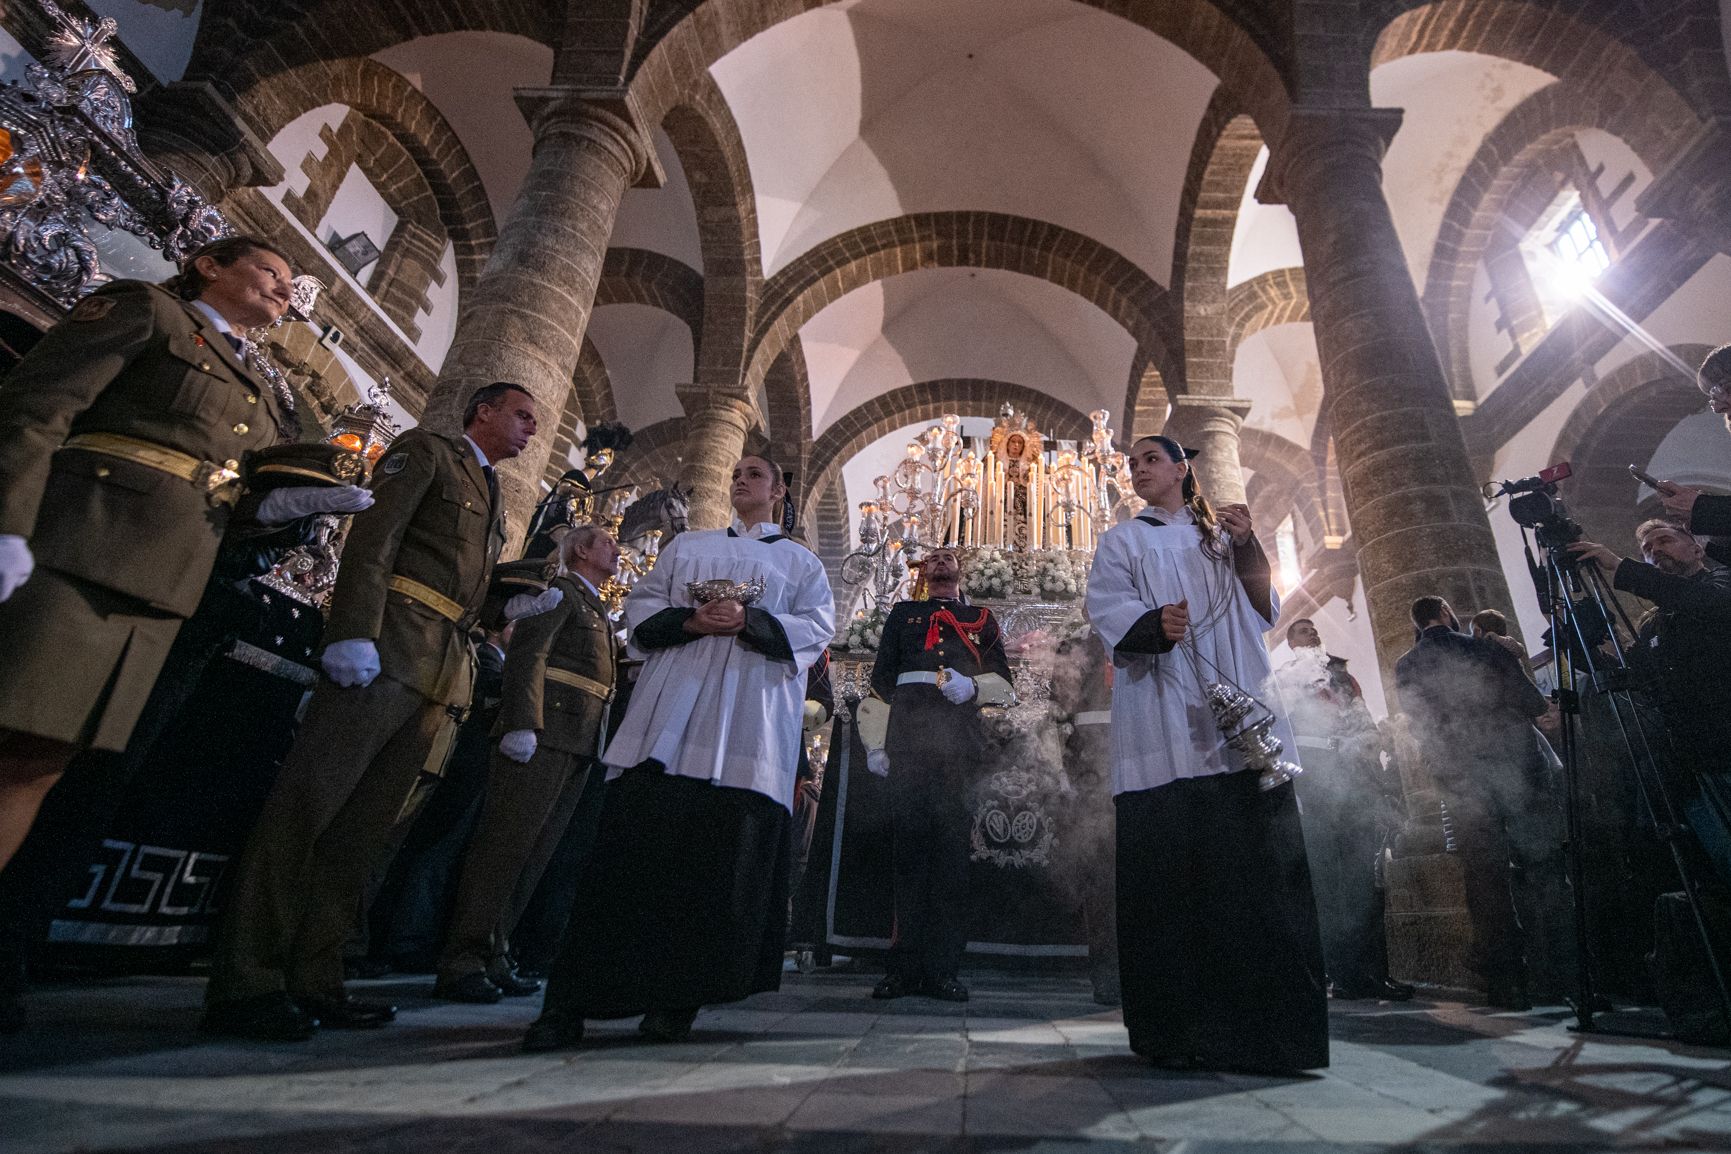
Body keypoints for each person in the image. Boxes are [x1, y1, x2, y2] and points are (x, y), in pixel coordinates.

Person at [0, 237, 373, 875]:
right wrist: (8, 520)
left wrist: (281, 509)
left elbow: (222, 487)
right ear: (209, 266)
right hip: (81, 545)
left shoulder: (260, 386)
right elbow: (37, 407)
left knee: (47, 763)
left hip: (168, 583)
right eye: (270, 271)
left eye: (289, 282)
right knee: (11, 739)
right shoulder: (148, 310)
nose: (286, 289)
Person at [203, 382, 540, 1041]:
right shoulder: (428, 452)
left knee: (363, 830)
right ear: (484, 410)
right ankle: (246, 980)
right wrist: (352, 629)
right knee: (307, 808)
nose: (530, 429)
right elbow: (373, 540)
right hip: (387, 645)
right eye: (522, 415)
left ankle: (315, 975)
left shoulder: (493, 489)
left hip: (437, 665)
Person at [522, 453, 833, 1051]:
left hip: (745, 726)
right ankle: (571, 1001)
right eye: (736, 471)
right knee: (626, 859)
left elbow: (816, 628)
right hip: (668, 719)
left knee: (709, 875)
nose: (741, 479)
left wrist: (748, 618)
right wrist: (691, 622)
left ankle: (674, 1004)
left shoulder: (802, 563)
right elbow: (641, 609)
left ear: (780, 493)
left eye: (756, 474)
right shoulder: (686, 546)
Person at [1085, 433, 1328, 1073]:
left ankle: (1270, 1036)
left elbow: (1263, 609)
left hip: (1239, 710)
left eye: (1150, 459)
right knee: (1172, 884)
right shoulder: (1122, 541)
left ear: (1182, 468)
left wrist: (1248, 545)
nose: (1138, 470)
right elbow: (1105, 605)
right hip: (1162, 720)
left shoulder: (1221, 535)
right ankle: (1180, 1032)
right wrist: (1147, 624)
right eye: (1132, 463)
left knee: (1256, 881)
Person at [433, 524, 623, 1002]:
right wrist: (522, 721)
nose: (617, 550)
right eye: (607, 542)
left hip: (577, 738)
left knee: (534, 853)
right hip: (544, 733)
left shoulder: (593, 603)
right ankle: (462, 959)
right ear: (581, 550)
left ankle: (496, 952)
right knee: (503, 848)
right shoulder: (557, 592)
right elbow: (528, 654)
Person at [865, 547, 1012, 1002]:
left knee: (950, 860)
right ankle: (902, 967)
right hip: (909, 740)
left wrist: (975, 687)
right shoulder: (903, 614)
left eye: (948, 557)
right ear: (923, 572)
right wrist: (875, 743)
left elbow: (1005, 684)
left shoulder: (982, 618)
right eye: (933, 558)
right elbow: (880, 682)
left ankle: (943, 968)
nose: (941, 562)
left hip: (957, 746)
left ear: (960, 569)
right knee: (907, 856)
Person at [1394, 595, 1549, 1010]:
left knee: (1485, 877)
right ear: (1447, 611)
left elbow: (1418, 724)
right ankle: (1560, 973)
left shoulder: (1407, 665)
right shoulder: (1487, 648)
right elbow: (1532, 703)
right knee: (1543, 863)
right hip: (1515, 769)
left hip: (1460, 780)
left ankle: (1507, 983)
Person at [1569, 520, 1731, 883]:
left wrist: (1622, 566)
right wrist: (1583, 647)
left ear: (1697, 549)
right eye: (1646, 548)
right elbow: (1633, 676)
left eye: (1664, 540)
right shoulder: (1655, 624)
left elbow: (1706, 603)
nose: (1654, 549)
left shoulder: (1722, 583)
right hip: (1695, 763)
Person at [1274, 620, 1412, 1002]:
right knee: (1326, 884)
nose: (1312, 633)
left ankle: (1376, 972)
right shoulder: (1286, 680)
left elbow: (1362, 716)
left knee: (1364, 880)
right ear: (1290, 642)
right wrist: (1293, 786)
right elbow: (1282, 732)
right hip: (1315, 782)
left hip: (1353, 777)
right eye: (1302, 630)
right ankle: (1341, 973)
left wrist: (1372, 743)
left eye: (1314, 629)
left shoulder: (1342, 675)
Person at [1051, 629, 1120, 1006]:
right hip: (1089, 766)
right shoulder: (1073, 648)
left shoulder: (1134, 638)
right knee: (1101, 875)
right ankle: (1107, 973)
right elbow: (1058, 713)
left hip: (1133, 759)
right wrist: (1064, 767)